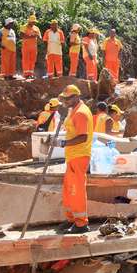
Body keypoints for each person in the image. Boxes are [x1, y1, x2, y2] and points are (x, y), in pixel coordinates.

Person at [54, 85, 93, 234]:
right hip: (73, 156)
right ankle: (72, 219)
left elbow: (83, 137)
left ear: (76, 97)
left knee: (76, 190)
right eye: (65, 98)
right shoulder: (74, 111)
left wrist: (63, 143)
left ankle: (81, 223)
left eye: (69, 98)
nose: (66, 100)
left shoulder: (81, 113)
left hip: (79, 155)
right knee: (69, 190)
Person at [20, 14, 41, 79]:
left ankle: (31, 74)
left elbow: (40, 37)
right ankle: (26, 74)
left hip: (34, 47)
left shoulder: (36, 28)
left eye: (34, 22)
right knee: (26, 60)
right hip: (26, 47)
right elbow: (22, 35)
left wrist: (39, 38)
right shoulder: (24, 27)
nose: (33, 23)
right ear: (29, 21)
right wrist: (32, 36)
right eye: (32, 21)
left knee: (33, 60)